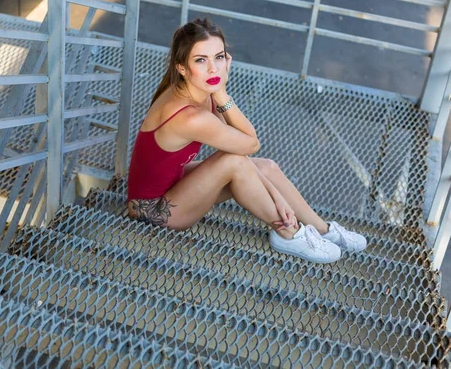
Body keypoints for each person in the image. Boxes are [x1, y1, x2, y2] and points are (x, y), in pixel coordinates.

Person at [126, 18, 367, 264]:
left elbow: (238, 144)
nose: (213, 69)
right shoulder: (190, 116)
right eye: (201, 60)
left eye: (218, 57)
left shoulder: (197, 91)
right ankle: (287, 233)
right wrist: (222, 93)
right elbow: (250, 143)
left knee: (267, 167)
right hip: (154, 211)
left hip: (174, 186)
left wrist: (276, 194)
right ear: (182, 68)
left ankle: (323, 230)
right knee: (234, 162)